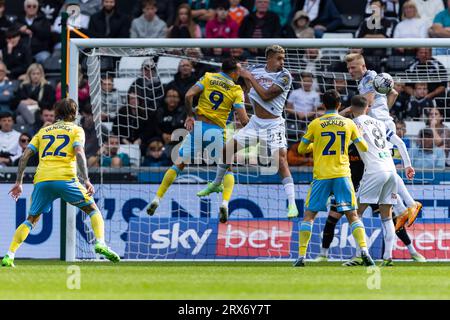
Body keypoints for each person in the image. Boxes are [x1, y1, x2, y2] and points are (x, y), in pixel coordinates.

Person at [1, 98, 120, 267]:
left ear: (56, 113)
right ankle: (100, 243)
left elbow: (25, 155)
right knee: (93, 210)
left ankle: (9, 255)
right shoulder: (76, 130)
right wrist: (86, 180)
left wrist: (19, 181)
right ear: (74, 114)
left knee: (31, 220)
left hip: (42, 180)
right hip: (66, 178)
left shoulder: (44, 131)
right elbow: (79, 153)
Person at [198, 45, 298, 221]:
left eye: (283, 58)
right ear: (269, 58)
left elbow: (266, 95)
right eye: (279, 58)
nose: (282, 62)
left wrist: (249, 77)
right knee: (227, 150)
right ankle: (216, 184)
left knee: (281, 161)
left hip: (273, 125)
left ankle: (291, 204)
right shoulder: (256, 70)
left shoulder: (285, 76)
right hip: (255, 123)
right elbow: (236, 73)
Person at [146, 58, 249, 222]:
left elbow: (188, 95)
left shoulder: (208, 77)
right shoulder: (237, 90)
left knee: (178, 164)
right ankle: (224, 203)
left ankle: (157, 198)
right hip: (217, 131)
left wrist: (189, 115)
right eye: (239, 70)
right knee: (227, 169)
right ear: (234, 72)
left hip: (199, 127)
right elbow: (243, 120)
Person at [294, 90, 374, 267]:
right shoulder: (348, 123)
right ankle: (364, 252)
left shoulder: (316, 123)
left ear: (323, 104)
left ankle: (301, 257)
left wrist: (318, 144)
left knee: (309, 216)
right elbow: (364, 147)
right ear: (339, 105)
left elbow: (300, 149)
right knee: (353, 215)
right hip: (343, 175)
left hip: (322, 176)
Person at [345, 52, 422, 231]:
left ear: (362, 66)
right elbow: (393, 93)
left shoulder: (370, 77)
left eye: (353, 67)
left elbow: (366, 103)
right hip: (380, 124)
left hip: (380, 127)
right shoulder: (368, 79)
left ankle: (410, 204)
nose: (350, 71)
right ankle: (404, 208)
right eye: (348, 68)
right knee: (388, 168)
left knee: (385, 167)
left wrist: (338, 115)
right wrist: (383, 111)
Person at [348, 95, 415, 266]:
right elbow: (400, 143)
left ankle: (359, 254)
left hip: (374, 171)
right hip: (391, 170)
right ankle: (387, 257)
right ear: (367, 108)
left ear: (351, 109)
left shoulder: (354, 124)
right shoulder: (379, 123)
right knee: (386, 216)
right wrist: (407, 166)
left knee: (356, 213)